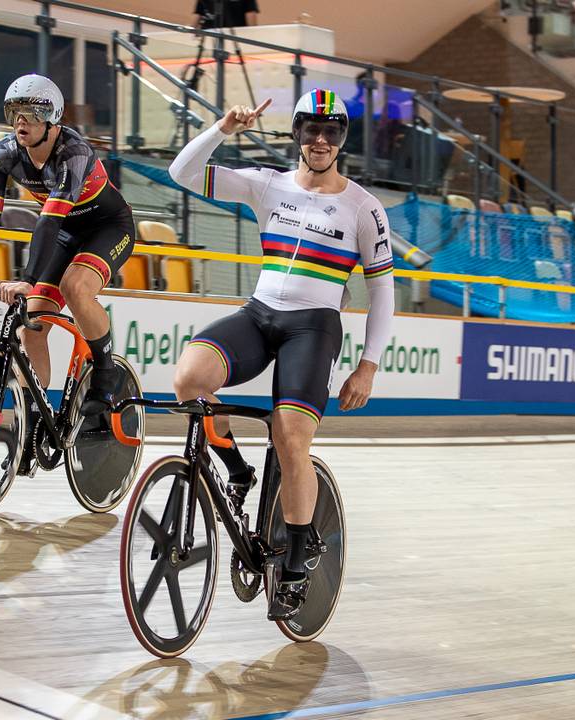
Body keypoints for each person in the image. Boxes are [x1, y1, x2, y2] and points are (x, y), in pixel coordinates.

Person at [169, 89, 395, 621]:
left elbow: (383, 290)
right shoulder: (266, 183)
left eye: (331, 132)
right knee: (189, 380)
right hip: (260, 314)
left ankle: (298, 552)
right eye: (311, 130)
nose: (320, 140)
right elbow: (182, 172)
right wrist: (223, 128)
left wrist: (368, 364)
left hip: (313, 329)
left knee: (290, 435)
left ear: (341, 139)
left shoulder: (364, 207)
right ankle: (235, 468)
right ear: (296, 133)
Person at [0, 74, 137, 474]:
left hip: (108, 228)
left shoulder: (73, 152)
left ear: (53, 117)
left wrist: (26, 277)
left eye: (31, 113)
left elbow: (48, 222)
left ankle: (105, 374)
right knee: (31, 326)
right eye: (13, 112)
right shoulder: (2, 154)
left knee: (76, 287)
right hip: (66, 231)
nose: (20, 121)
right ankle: (36, 422)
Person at [194, 0, 259, 28]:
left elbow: (250, 14)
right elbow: (198, 14)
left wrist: (252, 34)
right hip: (210, 34)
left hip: (236, 35)